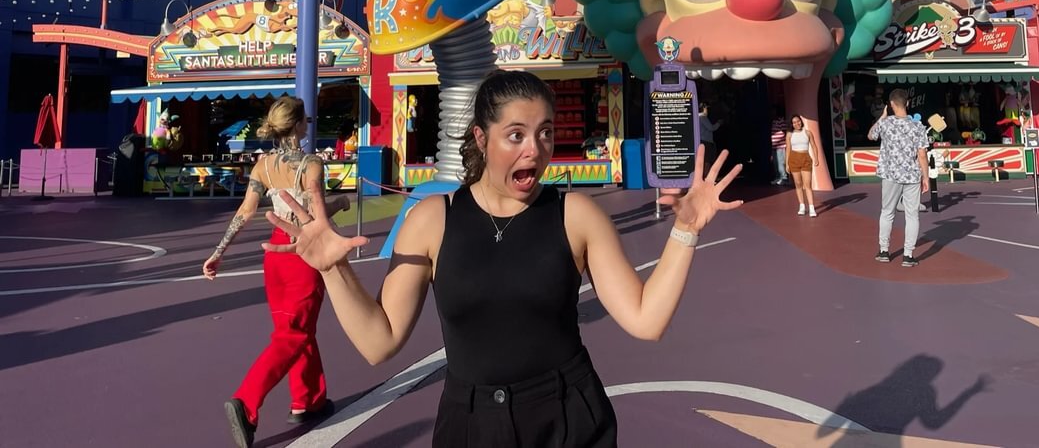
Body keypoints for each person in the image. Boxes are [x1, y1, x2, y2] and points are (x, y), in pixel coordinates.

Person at [266, 70, 743, 447]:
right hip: (471, 423)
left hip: (568, 417)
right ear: (481, 138)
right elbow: (379, 341)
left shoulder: (575, 215)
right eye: (515, 135)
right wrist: (333, 267)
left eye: (545, 133)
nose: (534, 150)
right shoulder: (433, 219)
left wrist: (684, 231)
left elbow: (646, 319)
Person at [203, 96, 349, 448]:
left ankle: (308, 400)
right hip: (301, 254)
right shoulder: (311, 164)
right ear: (300, 125)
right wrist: (341, 203)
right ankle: (246, 402)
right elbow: (316, 218)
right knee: (294, 335)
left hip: (275, 255)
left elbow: (246, 210)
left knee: (294, 329)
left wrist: (218, 252)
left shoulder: (263, 166)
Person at [869, 89, 930, 267]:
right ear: (908, 103)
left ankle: (884, 251)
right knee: (912, 215)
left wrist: (881, 117)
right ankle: (908, 254)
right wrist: (925, 177)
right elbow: (922, 154)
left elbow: (871, 135)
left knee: (887, 212)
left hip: (890, 174)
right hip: (911, 174)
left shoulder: (885, 124)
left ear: (891, 104)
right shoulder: (917, 126)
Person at [787, 113, 820, 217]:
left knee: (807, 184)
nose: (797, 123)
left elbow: (814, 146)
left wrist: (816, 158)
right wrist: (787, 164)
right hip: (794, 159)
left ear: (801, 121)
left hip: (805, 158)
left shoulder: (808, 133)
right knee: (798, 183)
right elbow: (788, 149)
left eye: (798, 121)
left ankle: (811, 207)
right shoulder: (789, 134)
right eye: (794, 122)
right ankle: (802, 205)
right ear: (792, 124)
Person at [769, 109, 789, 185]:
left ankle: (783, 178)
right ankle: (778, 177)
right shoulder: (773, 122)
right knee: (775, 163)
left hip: (780, 146)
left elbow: (784, 131)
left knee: (781, 163)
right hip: (774, 146)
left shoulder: (781, 121)